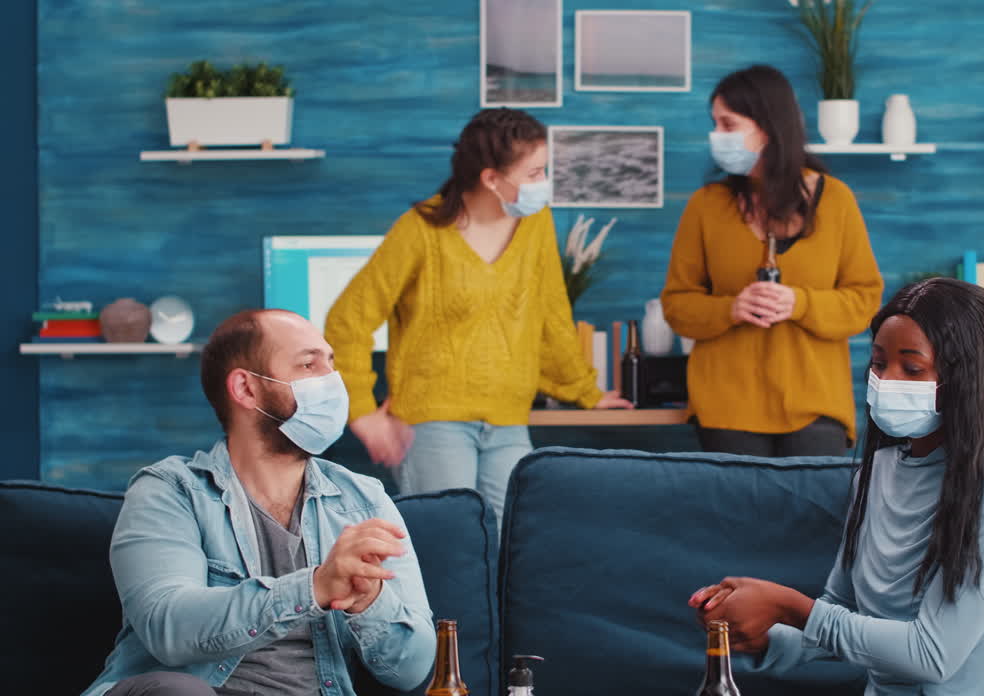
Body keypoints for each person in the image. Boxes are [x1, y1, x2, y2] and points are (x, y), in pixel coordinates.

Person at [688, 279, 984, 695]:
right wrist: (757, 631)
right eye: (878, 363)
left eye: (911, 368)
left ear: (966, 378)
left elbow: (932, 655)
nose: (886, 381)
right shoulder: (878, 473)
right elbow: (843, 615)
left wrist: (788, 606)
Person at [83, 309, 435, 696]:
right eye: (308, 364)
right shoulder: (171, 491)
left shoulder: (364, 499)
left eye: (330, 363)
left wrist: (368, 601)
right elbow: (169, 629)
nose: (333, 381)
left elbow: (413, 670)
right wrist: (314, 587)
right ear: (246, 389)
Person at [325, 108, 630, 518]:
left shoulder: (536, 223)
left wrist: (585, 391)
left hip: (508, 421)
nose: (545, 184)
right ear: (492, 178)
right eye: (535, 173)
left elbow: (552, 314)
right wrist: (362, 412)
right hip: (432, 421)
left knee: (511, 549)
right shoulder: (420, 230)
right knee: (452, 547)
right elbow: (348, 319)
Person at [660, 64, 883, 458]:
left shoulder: (836, 200)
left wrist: (800, 303)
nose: (716, 136)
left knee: (816, 517)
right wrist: (731, 308)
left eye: (728, 124)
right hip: (725, 409)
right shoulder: (705, 206)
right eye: (714, 123)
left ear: (767, 124)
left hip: (816, 408)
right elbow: (677, 307)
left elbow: (864, 302)